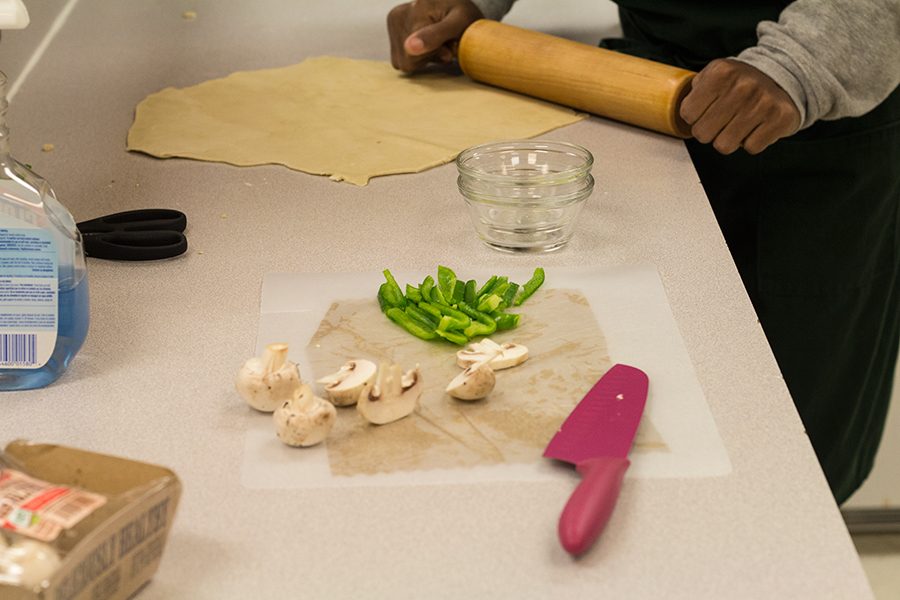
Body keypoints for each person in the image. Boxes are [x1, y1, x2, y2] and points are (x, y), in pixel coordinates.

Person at [387, 0, 900, 504]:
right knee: (644, 392)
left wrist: (798, 64)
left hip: (814, 133)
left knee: (788, 439)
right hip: (650, 89)